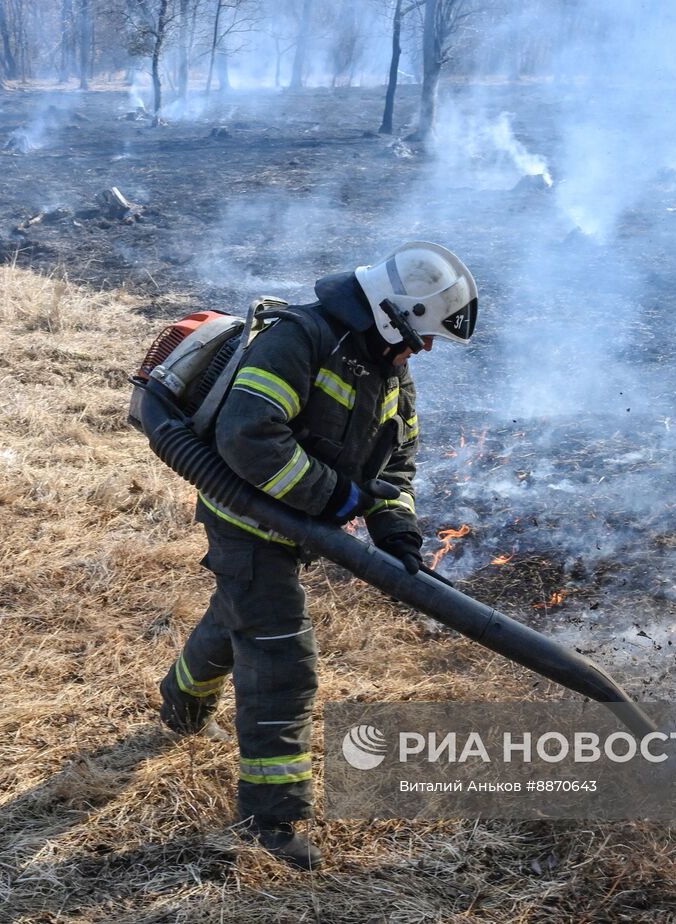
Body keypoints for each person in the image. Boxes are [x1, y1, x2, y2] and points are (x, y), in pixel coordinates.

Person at [157, 242, 479, 869]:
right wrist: (336, 497)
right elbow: (248, 438)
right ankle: (271, 824)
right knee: (281, 658)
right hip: (246, 522)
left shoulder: (389, 369)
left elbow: (398, 464)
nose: (427, 350)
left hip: (297, 526)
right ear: (393, 314)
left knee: (239, 614)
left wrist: (396, 532)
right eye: (423, 335)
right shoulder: (299, 341)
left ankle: (182, 698)